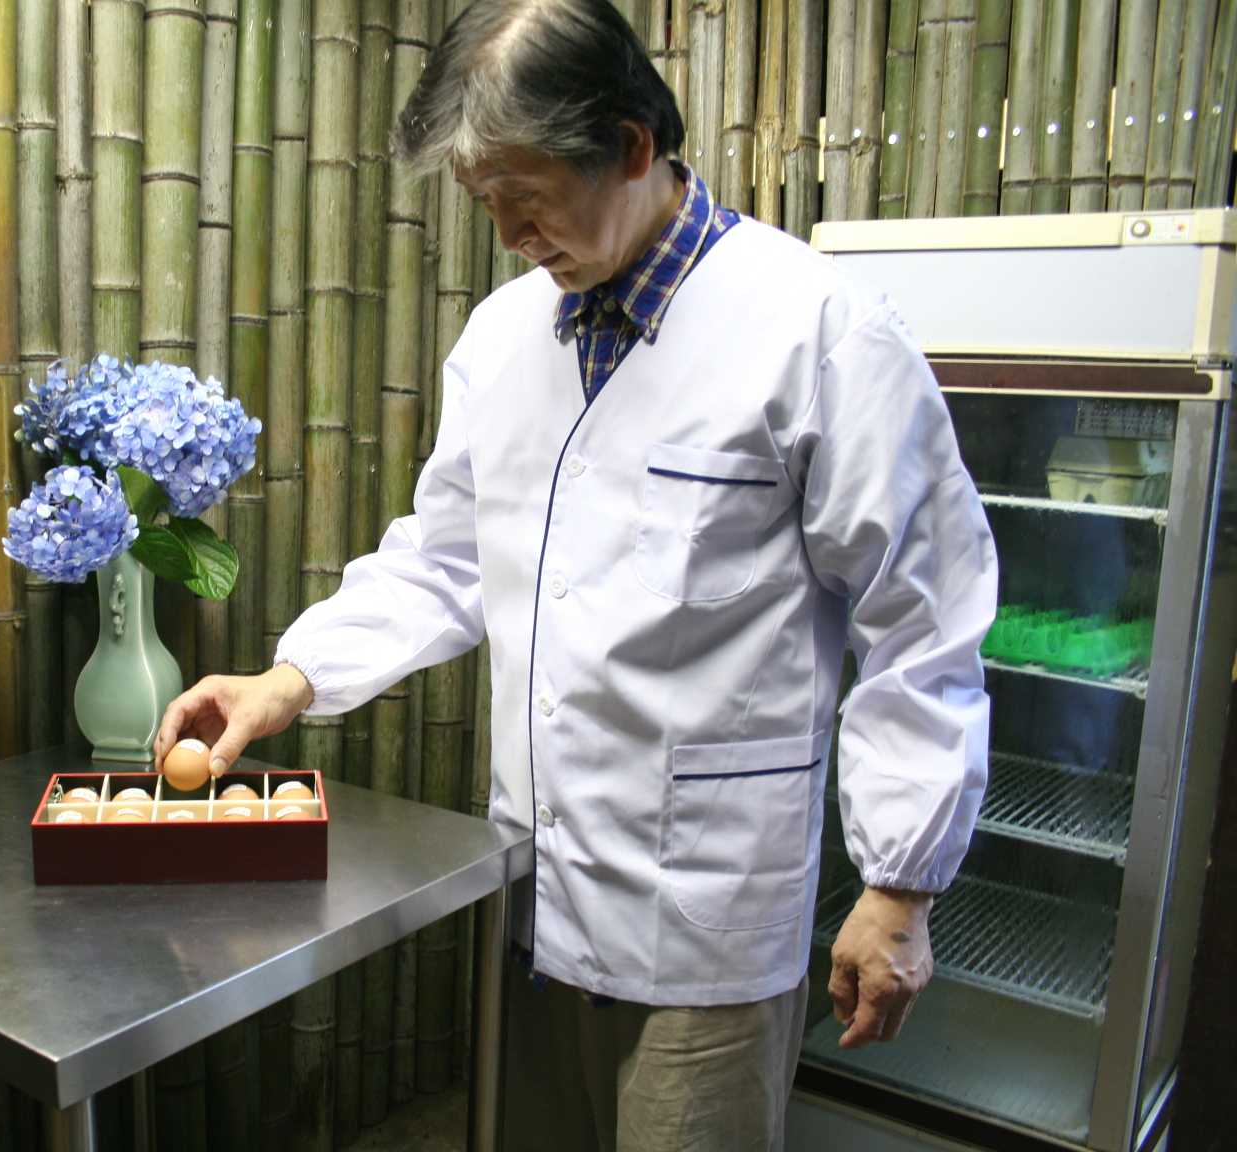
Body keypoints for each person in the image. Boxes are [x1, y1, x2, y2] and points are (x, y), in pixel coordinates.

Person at [155, 0, 997, 1146]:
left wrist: (898, 885)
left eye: (525, 194)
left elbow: (922, 615)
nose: (508, 233)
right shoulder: (503, 339)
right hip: (533, 904)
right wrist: (287, 681)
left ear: (632, 146)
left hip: (708, 927)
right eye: (484, 202)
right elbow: (445, 557)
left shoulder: (816, 329)